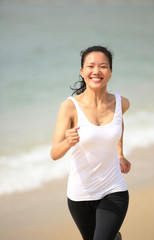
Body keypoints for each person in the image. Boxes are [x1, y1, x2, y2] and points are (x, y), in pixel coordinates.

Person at [50, 45, 131, 240]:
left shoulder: (121, 103)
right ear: (82, 71)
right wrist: (68, 142)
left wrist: (120, 153)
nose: (96, 71)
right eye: (91, 66)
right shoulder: (70, 107)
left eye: (103, 66)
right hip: (80, 195)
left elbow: (118, 125)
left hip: (114, 189)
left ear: (110, 72)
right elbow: (54, 153)